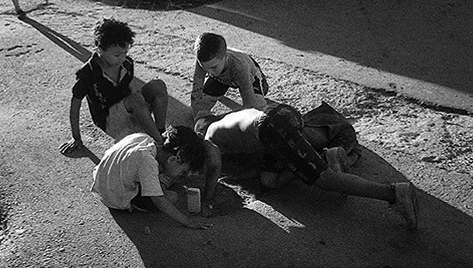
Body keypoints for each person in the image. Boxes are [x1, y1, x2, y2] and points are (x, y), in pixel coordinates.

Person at [200, 104, 419, 229]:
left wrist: (207, 199)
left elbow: (215, 167)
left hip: (272, 127)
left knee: (325, 180)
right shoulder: (228, 121)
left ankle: (393, 193)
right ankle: (323, 157)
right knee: (270, 180)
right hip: (277, 117)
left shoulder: (209, 137)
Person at [59, 18, 169, 155]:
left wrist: (141, 112)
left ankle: (160, 132)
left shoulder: (127, 64)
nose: (122, 58)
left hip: (128, 108)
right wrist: (76, 138)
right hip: (109, 120)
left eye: (125, 53)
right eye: (117, 55)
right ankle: (160, 145)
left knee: (158, 86)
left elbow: (131, 90)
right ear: (99, 49)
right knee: (135, 99)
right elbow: (75, 106)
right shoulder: (88, 74)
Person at [92, 125, 212, 229]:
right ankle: (135, 203)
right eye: (183, 171)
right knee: (171, 197)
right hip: (115, 197)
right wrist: (188, 221)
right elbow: (159, 200)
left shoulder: (144, 138)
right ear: (173, 159)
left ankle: (160, 182)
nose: (183, 175)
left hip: (103, 179)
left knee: (166, 176)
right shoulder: (147, 161)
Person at [191, 32, 269, 136]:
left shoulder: (240, 67)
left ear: (225, 56)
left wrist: (217, 121)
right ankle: (221, 87)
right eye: (205, 68)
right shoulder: (203, 60)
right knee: (199, 113)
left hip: (251, 77)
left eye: (213, 67)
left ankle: (263, 87)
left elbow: (249, 106)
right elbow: (196, 97)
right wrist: (199, 117)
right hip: (221, 78)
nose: (209, 72)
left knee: (257, 112)